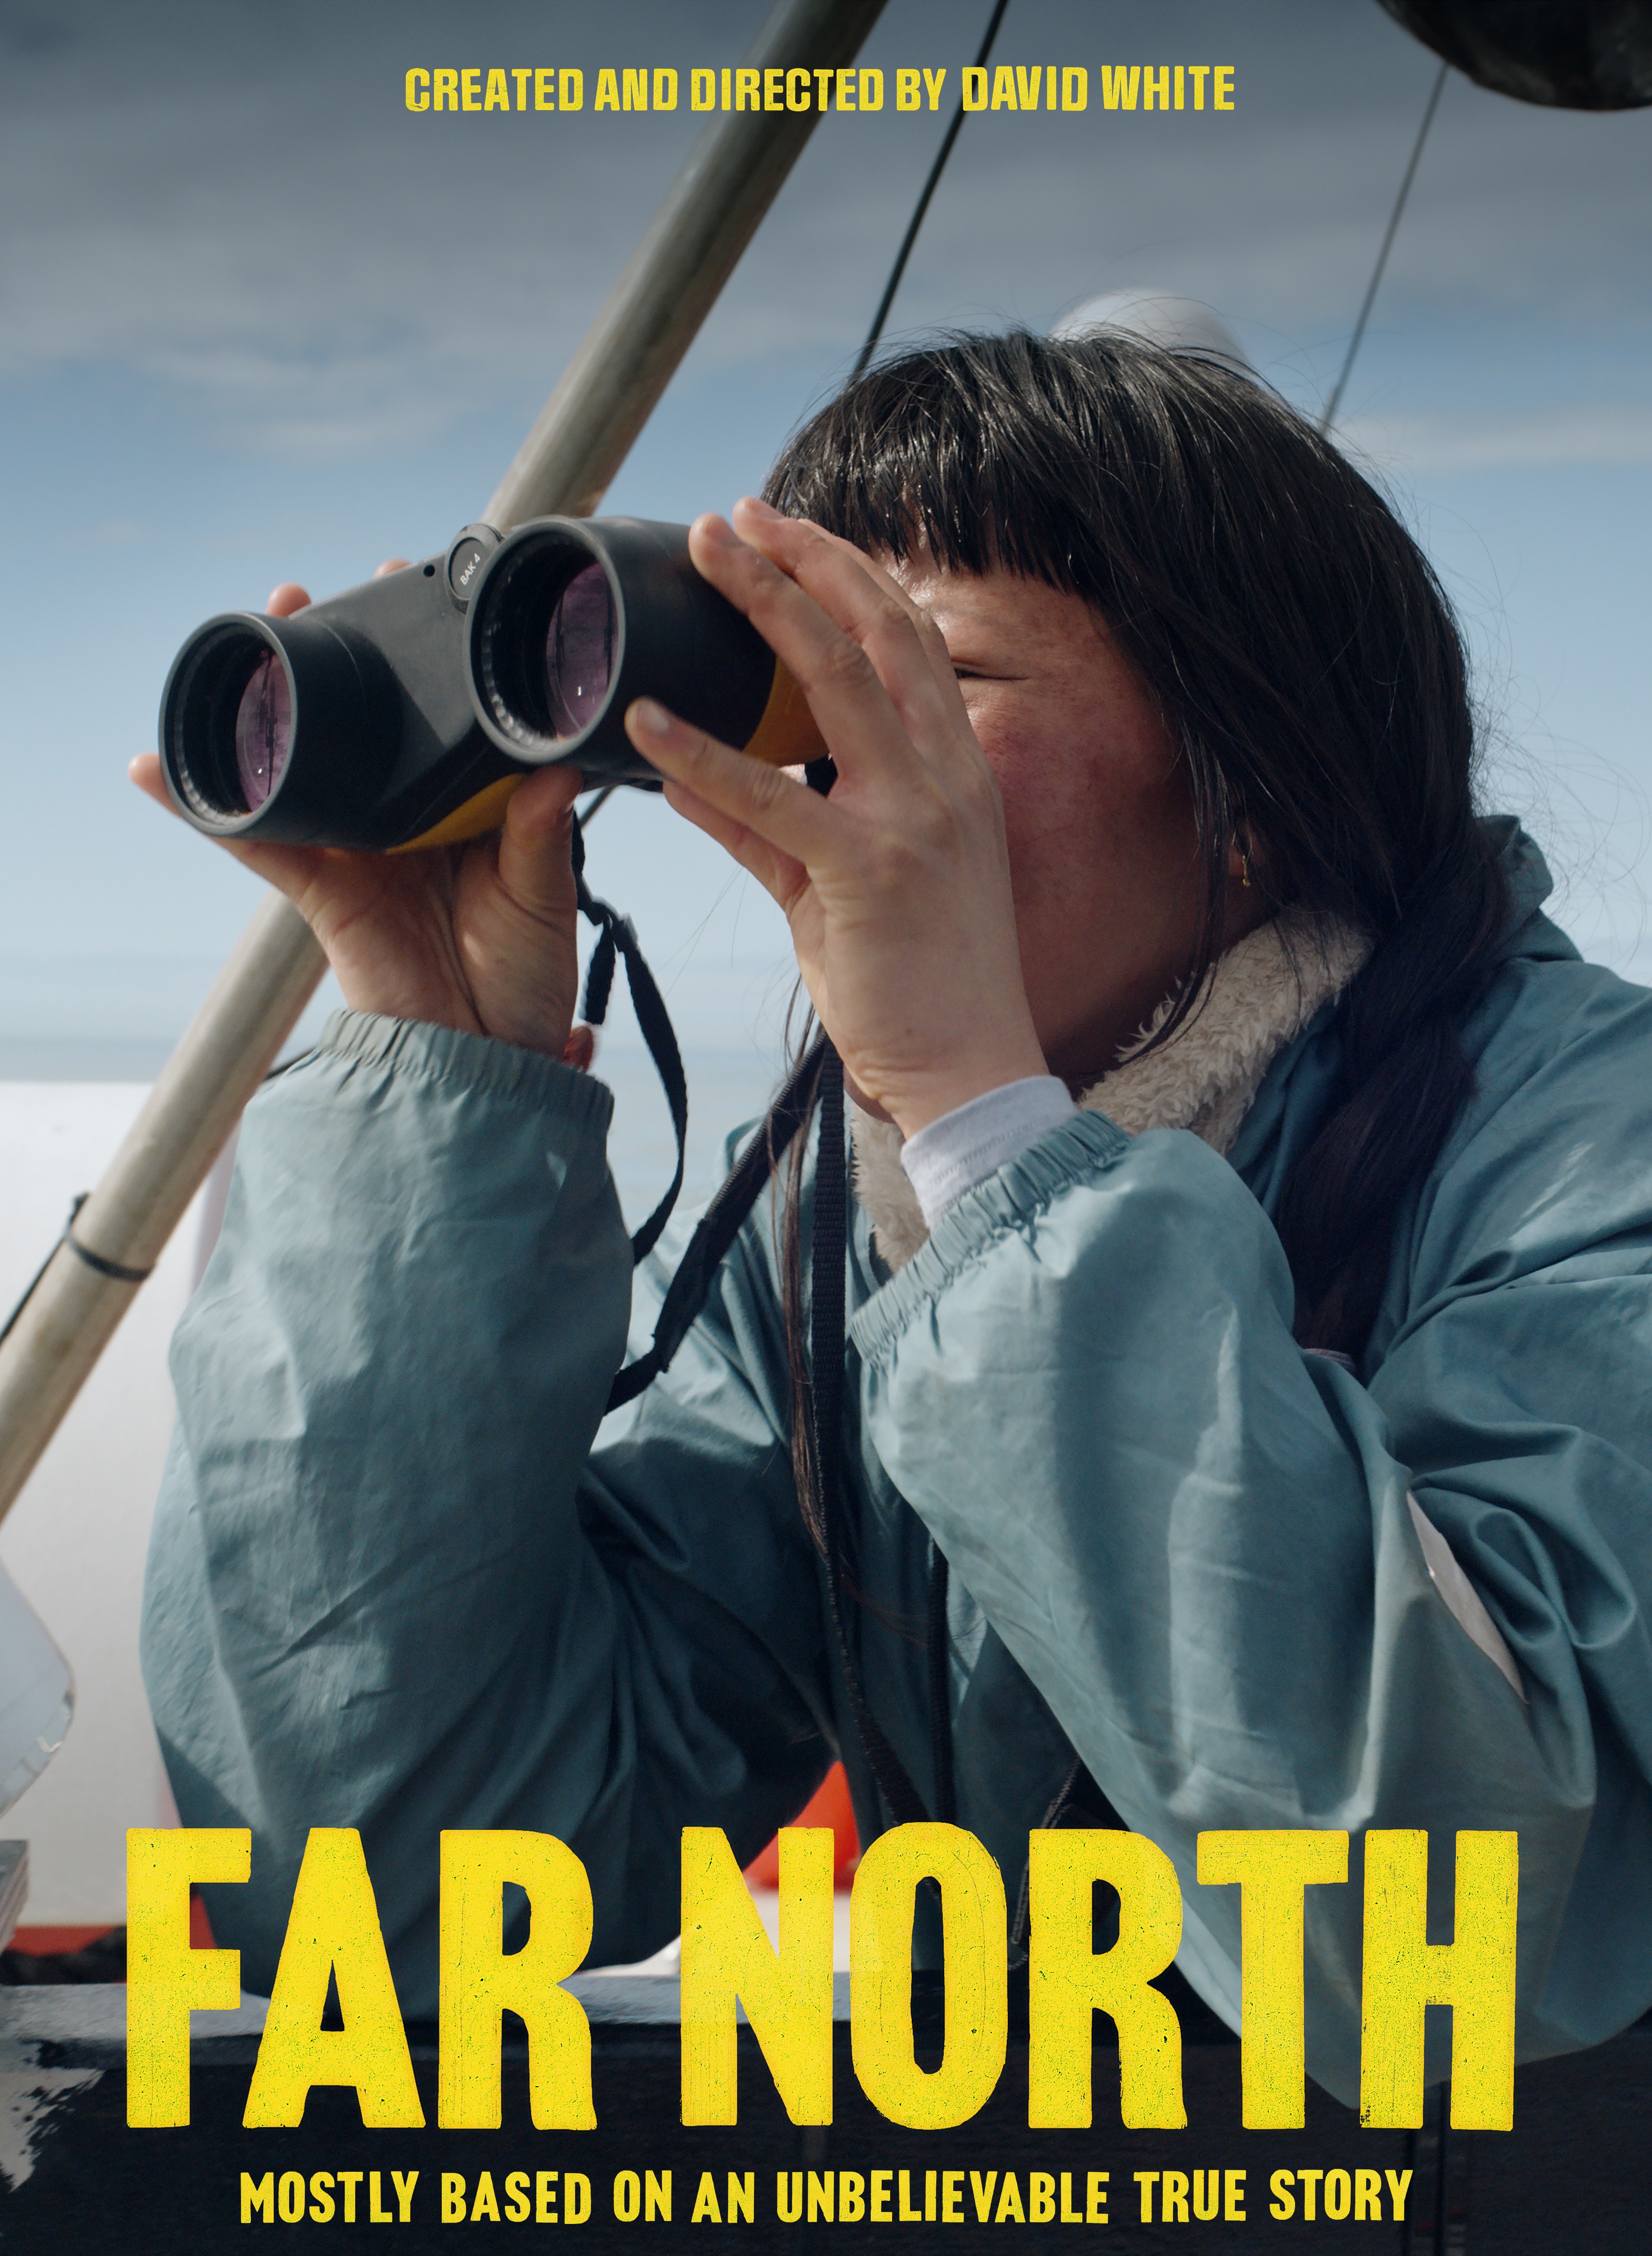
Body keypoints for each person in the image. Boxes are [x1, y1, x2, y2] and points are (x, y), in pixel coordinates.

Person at [133, 331, 1652, 2106]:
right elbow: (406, 1894)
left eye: (928, 678)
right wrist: (426, 1094)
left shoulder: (1581, 1147)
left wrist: (986, 1132)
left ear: (1251, 792)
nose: (842, 769)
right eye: (803, 688)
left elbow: (1462, 1934)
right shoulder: (842, 1224)